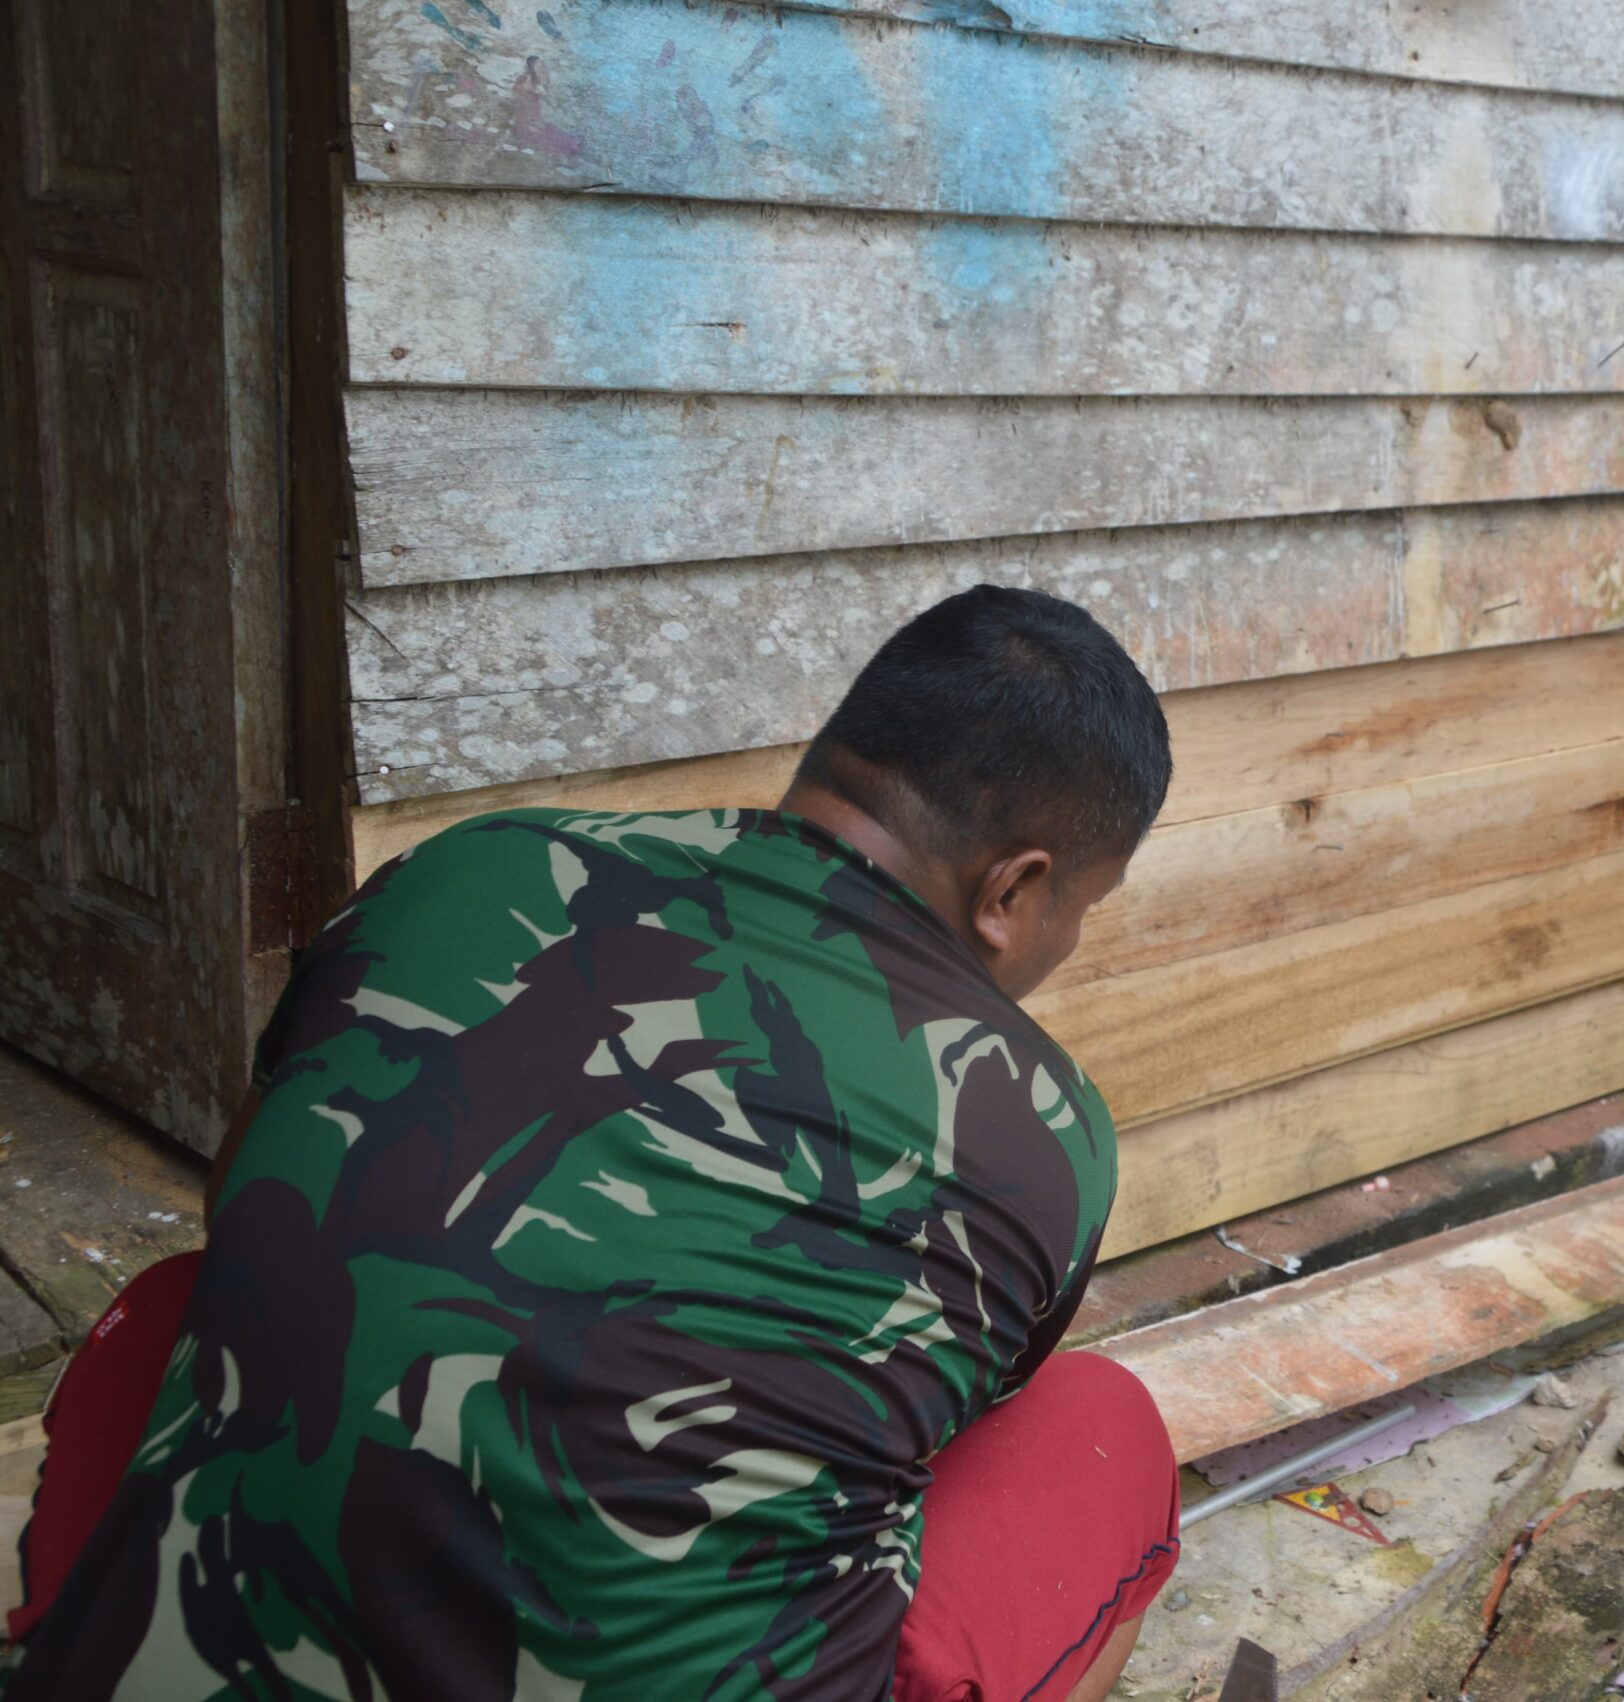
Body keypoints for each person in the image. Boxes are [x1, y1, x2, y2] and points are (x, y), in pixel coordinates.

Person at [7, 586, 1183, 1700]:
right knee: (1098, 1431)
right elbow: (924, 1425)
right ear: (1013, 889)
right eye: (1082, 908)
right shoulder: (1039, 1119)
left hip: (199, 1635)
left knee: (178, 1314)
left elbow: (242, 1198)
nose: (1067, 941)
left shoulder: (465, 866)